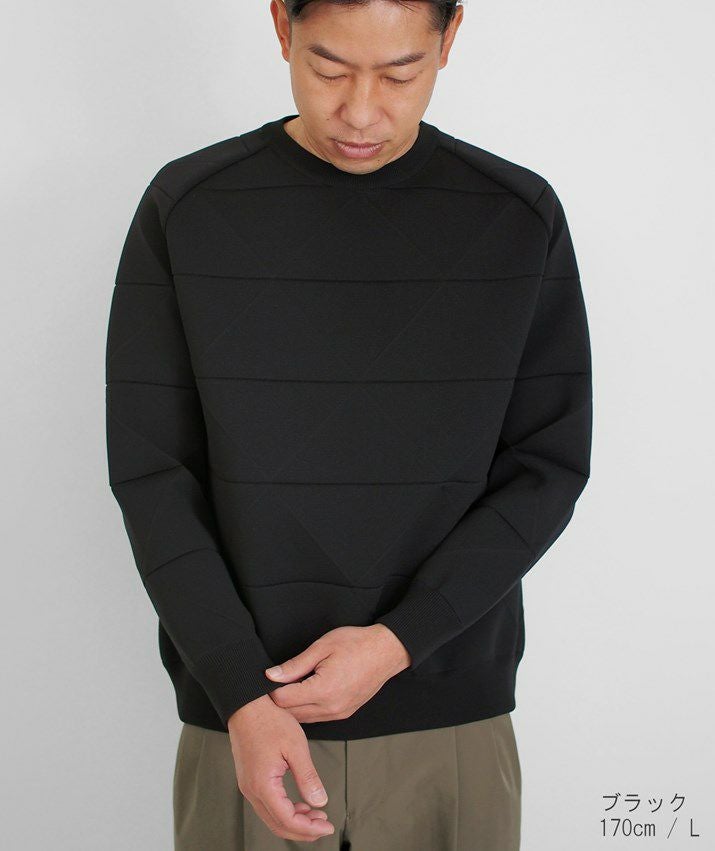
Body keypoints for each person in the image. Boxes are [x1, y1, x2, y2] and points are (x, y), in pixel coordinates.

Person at [104, 1, 592, 848]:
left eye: (400, 73)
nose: (360, 112)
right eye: (328, 69)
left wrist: (401, 641)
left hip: (450, 721)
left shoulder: (516, 215)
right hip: (249, 724)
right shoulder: (189, 206)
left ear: (449, 37)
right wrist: (238, 690)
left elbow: (546, 466)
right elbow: (153, 475)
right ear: (281, 28)